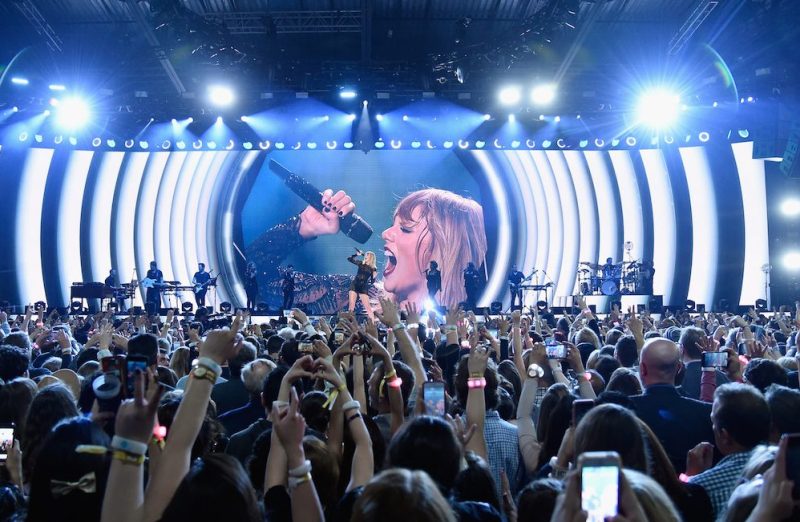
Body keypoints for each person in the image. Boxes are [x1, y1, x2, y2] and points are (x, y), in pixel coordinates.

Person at [246, 187, 487, 313]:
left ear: (444, 250)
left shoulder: (473, 328)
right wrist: (303, 227)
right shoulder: (353, 297)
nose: (386, 233)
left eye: (404, 229)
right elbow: (253, 275)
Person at [686, 383, 771, 520]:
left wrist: (690, 478)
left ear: (724, 436)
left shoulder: (702, 485)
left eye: (713, 420)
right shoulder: (787, 464)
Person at [630, 338, 714, 474]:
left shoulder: (622, 410)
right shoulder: (705, 413)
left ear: (642, 369)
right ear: (679, 368)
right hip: (690, 493)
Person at [347, 250, 377, 318]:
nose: (365, 256)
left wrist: (374, 277)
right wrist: (356, 254)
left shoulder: (373, 269)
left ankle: (372, 325)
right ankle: (349, 324)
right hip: (354, 285)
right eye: (365, 255)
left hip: (363, 288)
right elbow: (349, 259)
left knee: (368, 308)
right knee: (351, 306)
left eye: (367, 256)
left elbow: (372, 282)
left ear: (371, 258)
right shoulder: (361, 263)